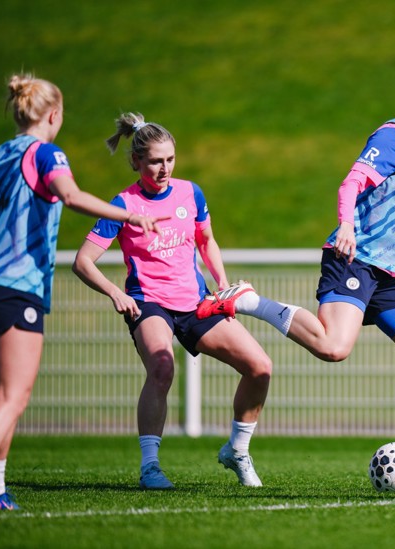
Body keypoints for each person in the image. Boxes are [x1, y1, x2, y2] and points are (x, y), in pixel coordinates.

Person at [197, 50, 395, 492]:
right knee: (333, 347)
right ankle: (248, 300)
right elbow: (351, 182)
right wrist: (346, 224)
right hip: (354, 259)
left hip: (387, 273)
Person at [0, 75, 163, 515]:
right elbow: (71, 196)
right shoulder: (46, 153)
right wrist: (130, 216)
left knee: (5, 393)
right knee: (13, 397)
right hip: (16, 285)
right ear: (54, 115)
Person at [72, 113, 272, 490]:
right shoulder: (123, 204)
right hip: (149, 303)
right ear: (136, 162)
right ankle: (150, 467)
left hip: (195, 303)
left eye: (170, 160)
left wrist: (223, 284)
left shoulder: (190, 193)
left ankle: (238, 450)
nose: (164, 169)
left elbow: (206, 240)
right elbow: (82, 261)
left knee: (260, 366)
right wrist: (116, 293)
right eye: (154, 161)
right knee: (162, 368)